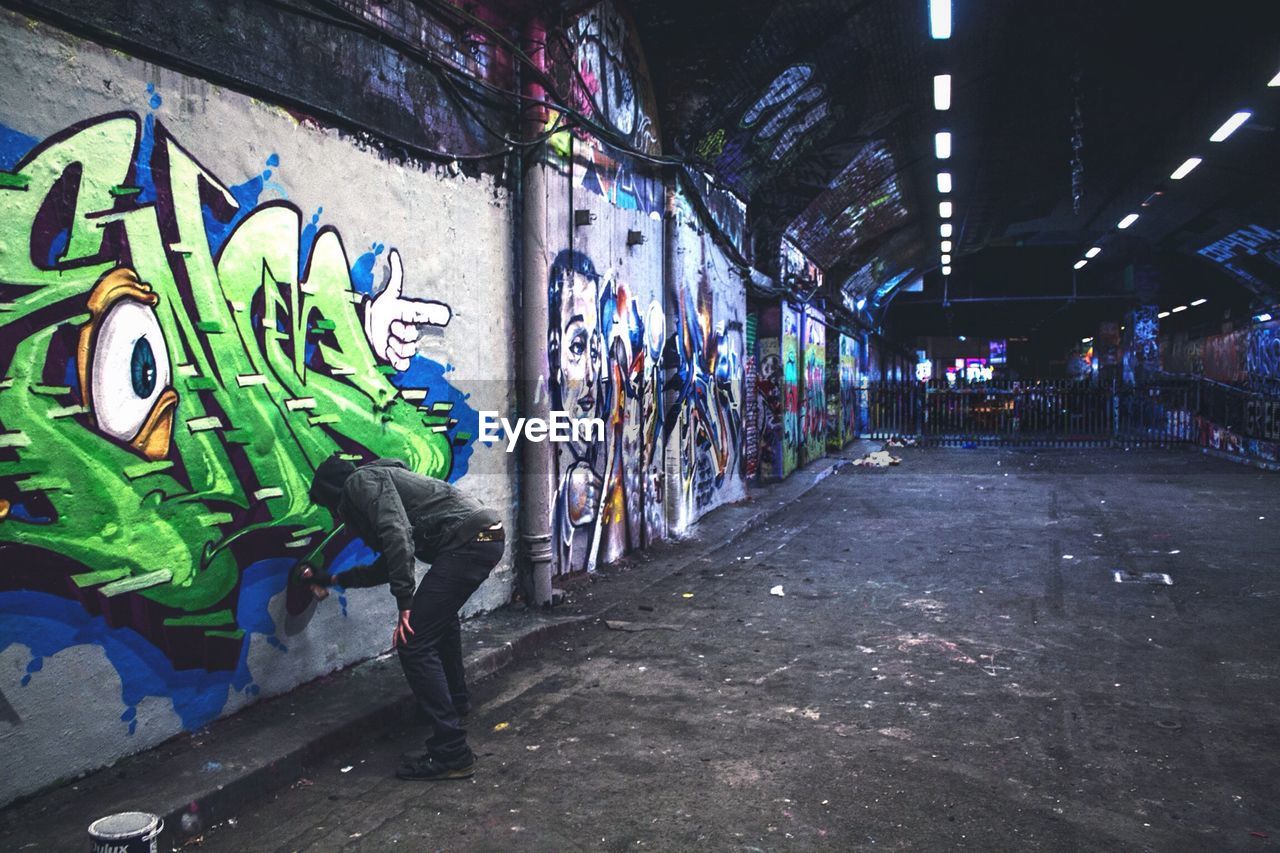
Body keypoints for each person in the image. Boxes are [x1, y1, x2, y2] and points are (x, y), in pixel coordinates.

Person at [296, 455, 504, 781]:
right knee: (440, 621)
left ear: (335, 494)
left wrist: (405, 603)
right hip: (488, 534)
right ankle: (456, 702)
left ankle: (451, 752)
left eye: (331, 509)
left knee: (413, 641)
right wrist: (334, 580)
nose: (338, 519)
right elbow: (388, 561)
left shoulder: (359, 483)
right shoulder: (384, 483)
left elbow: (397, 534)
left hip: (470, 539)